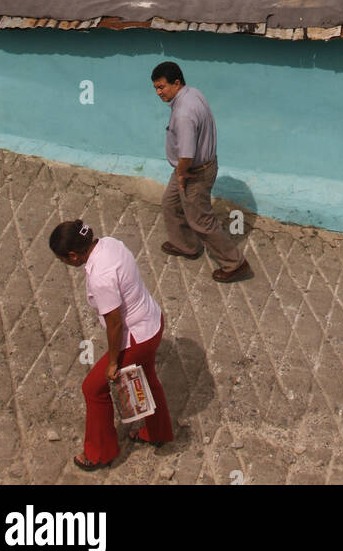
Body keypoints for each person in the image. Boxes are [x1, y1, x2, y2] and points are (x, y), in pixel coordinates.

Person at [49, 219, 174, 472]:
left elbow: (115, 324)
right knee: (147, 377)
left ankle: (99, 453)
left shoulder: (100, 277)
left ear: (73, 256)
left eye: (62, 259)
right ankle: (157, 432)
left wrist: (114, 363)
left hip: (137, 337)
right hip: (152, 320)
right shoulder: (110, 244)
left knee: (93, 389)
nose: (64, 263)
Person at [151, 60, 250, 283]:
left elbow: (186, 153)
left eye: (162, 87)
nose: (158, 92)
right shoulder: (192, 93)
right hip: (189, 168)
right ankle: (185, 245)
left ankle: (235, 264)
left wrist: (181, 173)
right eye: (156, 88)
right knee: (170, 203)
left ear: (176, 83)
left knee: (201, 221)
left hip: (192, 172)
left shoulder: (184, 113)